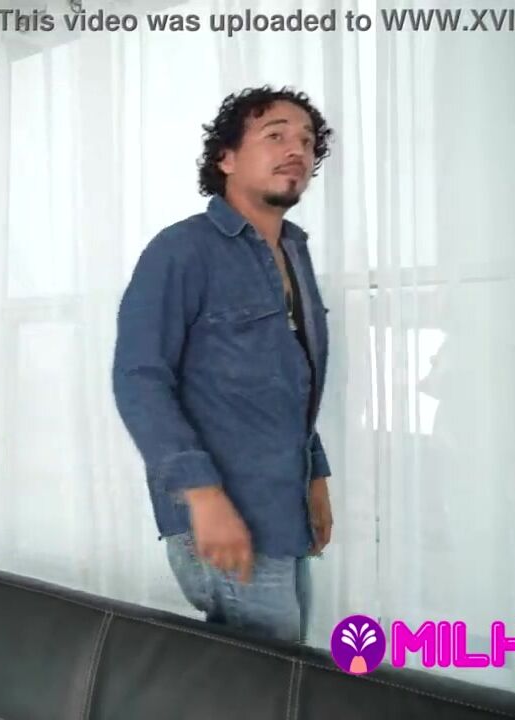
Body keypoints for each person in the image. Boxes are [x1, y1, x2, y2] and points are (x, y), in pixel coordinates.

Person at [112, 86, 335, 645]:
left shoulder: (295, 251)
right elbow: (139, 379)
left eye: (307, 141)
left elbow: (289, 384)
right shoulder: (181, 250)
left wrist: (315, 476)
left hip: (284, 510)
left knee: (290, 675)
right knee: (260, 683)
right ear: (226, 158)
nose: (297, 150)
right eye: (275, 135)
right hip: (223, 515)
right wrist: (202, 496)